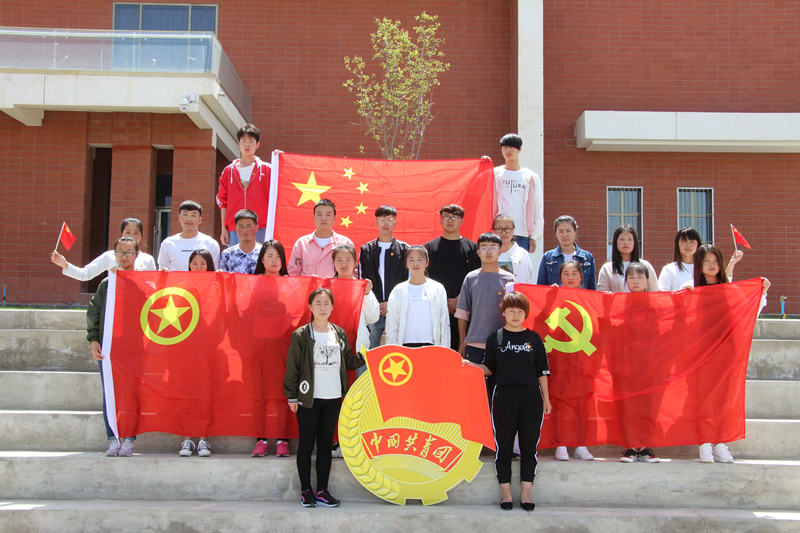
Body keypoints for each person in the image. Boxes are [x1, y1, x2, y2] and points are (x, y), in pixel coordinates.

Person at [680, 244, 770, 463]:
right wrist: (686, 299)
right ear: (699, 265)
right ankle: (704, 441)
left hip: (725, 351)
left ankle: (719, 442)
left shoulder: (728, 288)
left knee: (723, 398)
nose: (712, 265)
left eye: (715, 261)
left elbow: (746, 310)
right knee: (702, 397)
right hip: (700, 352)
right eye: (707, 261)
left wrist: (761, 291)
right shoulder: (689, 287)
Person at [466, 291, 550, 511]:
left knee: (529, 447)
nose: (515, 315)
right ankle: (506, 495)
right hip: (504, 396)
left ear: (526, 314)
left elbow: (542, 371)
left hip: (531, 397)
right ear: (503, 313)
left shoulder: (534, 339)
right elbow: (489, 368)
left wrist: (546, 398)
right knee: (503, 446)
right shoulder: (496, 338)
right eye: (511, 311)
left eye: (520, 311)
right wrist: (471, 366)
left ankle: (526, 495)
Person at [284, 288, 365, 508]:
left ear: (332, 307)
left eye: (326, 303)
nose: (322, 307)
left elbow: (348, 362)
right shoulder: (301, 335)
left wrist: (364, 357)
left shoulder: (338, 333)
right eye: (318, 303)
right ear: (310, 307)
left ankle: (322, 490)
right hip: (309, 399)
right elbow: (292, 367)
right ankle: (305, 490)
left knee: (325, 446)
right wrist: (292, 396)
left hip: (333, 398)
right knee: (306, 445)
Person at [86, 236, 139, 457]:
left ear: (137, 255)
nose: (124, 256)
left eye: (129, 252)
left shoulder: (143, 283)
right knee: (110, 392)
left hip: (134, 349)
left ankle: (129, 439)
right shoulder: (107, 284)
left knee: (131, 394)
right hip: (109, 348)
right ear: (114, 255)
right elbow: (94, 312)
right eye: (120, 252)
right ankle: (113, 438)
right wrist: (94, 340)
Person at [548, 259, 594, 461]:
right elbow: (545, 322)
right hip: (560, 360)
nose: (570, 277)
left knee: (582, 405)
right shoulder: (554, 297)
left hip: (583, 361)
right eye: (566, 274)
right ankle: (561, 444)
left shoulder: (590, 299)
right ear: (560, 277)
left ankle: (581, 445)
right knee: (560, 403)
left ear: (581, 277)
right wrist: (549, 298)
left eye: (574, 273)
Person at [618, 262, 661, 464]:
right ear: (626, 281)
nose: (635, 281)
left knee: (648, 406)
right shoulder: (618, 303)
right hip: (626, 364)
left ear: (647, 281)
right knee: (628, 407)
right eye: (631, 277)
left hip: (649, 364)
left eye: (640, 277)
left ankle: (644, 447)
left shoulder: (656, 303)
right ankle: (630, 446)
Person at [252, 239, 291, 457]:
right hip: (259, 348)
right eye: (269, 256)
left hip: (284, 348)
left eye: (278, 256)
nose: (274, 261)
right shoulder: (253, 283)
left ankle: (283, 439)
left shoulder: (291, 284)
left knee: (284, 395)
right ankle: (261, 439)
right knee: (260, 395)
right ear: (262, 260)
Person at [425, 204, 479, 351]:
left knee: (460, 350)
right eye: (447, 217)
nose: (450, 220)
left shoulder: (472, 248)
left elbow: (474, 279)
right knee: (436, 351)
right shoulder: (429, 248)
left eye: (455, 217)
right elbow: (425, 277)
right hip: (436, 307)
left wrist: (458, 300)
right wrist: (442, 301)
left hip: (463, 308)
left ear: (461, 221)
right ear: (441, 220)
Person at [455, 233, 515, 364]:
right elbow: (462, 313)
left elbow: (515, 310)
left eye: (493, 247)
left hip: (502, 342)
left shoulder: (509, 279)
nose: (488, 251)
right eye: (484, 247)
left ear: (500, 251)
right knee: (475, 377)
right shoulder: (471, 278)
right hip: (474, 342)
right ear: (478, 252)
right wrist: (462, 341)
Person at [178, 250, 216, 457]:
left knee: (205, 394)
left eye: (203, 263)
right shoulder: (181, 287)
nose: (199, 266)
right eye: (195, 263)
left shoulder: (216, 286)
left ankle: (203, 438)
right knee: (186, 393)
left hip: (209, 349)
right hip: (185, 350)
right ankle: (186, 438)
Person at [359, 205, 409, 348]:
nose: (385, 223)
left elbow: (408, 282)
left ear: (395, 222)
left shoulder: (405, 249)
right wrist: (376, 305)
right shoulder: (366, 250)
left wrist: (391, 303)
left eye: (389, 219)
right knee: (370, 351)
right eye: (381, 219)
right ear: (376, 222)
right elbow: (363, 282)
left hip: (397, 310)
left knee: (397, 351)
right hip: (373, 311)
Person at [216, 123, 271, 246]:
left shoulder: (267, 170)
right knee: (236, 258)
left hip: (260, 228)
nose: (247, 144)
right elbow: (222, 201)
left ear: (257, 144)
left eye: (251, 141)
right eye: (244, 140)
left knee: (260, 258)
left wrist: (279, 158)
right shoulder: (228, 171)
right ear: (238, 144)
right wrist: (224, 228)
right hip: (235, 229)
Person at [385, 245, 450, 347]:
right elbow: (392, 323)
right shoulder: (398, 290)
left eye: (420, 259)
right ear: (406, 263)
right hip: (404, 346)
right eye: (411, 260)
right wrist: (392, 348)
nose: (415, 264)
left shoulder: (438, 289)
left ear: (427, 263)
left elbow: (444, 322)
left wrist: (444, 348)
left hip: (431, 345)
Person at [51, 217, 156, 279]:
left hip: (140, 306)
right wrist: (65, 265)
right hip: (115, 305)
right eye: (128, 232)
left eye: (136, 233)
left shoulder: (148, 259)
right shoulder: (109, 256)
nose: (132, 236)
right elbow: (85, 274)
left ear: (141, 236)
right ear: (121, 234)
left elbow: (152, 285)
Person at [492, 134, 544, 255]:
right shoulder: (494, 174)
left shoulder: (530, 177)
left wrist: (534, 236)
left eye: (512, 147)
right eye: (505, 147)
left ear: (519, 149)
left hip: (522, 233)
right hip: (498, 232)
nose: (508, 151)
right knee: (496, 265)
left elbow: (538, 206)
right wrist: (483, 164)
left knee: (520, 265)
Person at [332, 243, 379, 372]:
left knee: (359, 384)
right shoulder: (327, 287)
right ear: (334, 263)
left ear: (355, 263)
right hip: (332, 349)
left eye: (348, 260)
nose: (344, 264)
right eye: (339, 260)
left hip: (358, 351)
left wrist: (367, 294)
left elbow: (373, 318)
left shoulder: (362, 287)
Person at [288, 199, 354, 277]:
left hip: (336, 285)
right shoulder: (302, 244)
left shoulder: (345, 243)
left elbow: (353, 274)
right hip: (308, 285)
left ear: (334, 218)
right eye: (319, 214)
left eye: (328, 214)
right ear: (314, 217)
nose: (323, 218)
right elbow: (293, 274)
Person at [157, 201, 220, 271]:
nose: (189, 219)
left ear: (200, 220)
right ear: (179, 218)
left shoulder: (210, 243)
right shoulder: (168, 243)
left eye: (193, 215)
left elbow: (214, 271)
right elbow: (162, 270)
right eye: (185, 214)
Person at [538, 215, 596, 290]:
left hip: (579, 297)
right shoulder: (548, 257)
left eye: (568, 231)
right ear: (556, 233)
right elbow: (540, 287)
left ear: (575, 232)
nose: (564, 235)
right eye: (561, 231)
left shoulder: (587, 257)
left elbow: (592, 289)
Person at [597, 225, 659, 293]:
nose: (626, 243)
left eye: (629, 239)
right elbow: (601, 294)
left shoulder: (646, 266)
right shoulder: (607, 268)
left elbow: (655, 293)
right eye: (621, 239)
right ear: (615, 242)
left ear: (635, 242)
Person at [494, 214, 535, 284]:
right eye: (499, 229)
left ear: (513, 230)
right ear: (493, 231)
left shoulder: (522, 254)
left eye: (507, 228)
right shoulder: (489, 253)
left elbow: (528, 280)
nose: (503, 232)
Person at [219, 209, 261, 274]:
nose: (245, 230)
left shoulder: (263, 253)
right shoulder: (228, 254)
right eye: (241, 227)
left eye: (249, 226)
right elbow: (222, 277)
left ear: (256, 228)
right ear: (236, 229)